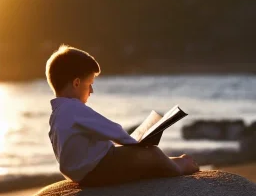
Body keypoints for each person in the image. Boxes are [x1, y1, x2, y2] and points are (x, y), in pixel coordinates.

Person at [46, 45, 199, 187]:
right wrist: (135, 143)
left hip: (82, 175)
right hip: (99, 168)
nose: (91, 91)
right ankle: (182, 166)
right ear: (77, 83)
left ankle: (175, 162)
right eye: (90, 84)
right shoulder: (73, 108)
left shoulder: (57, 114)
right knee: (152, 153)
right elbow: (112, 129)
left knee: (142, 162)